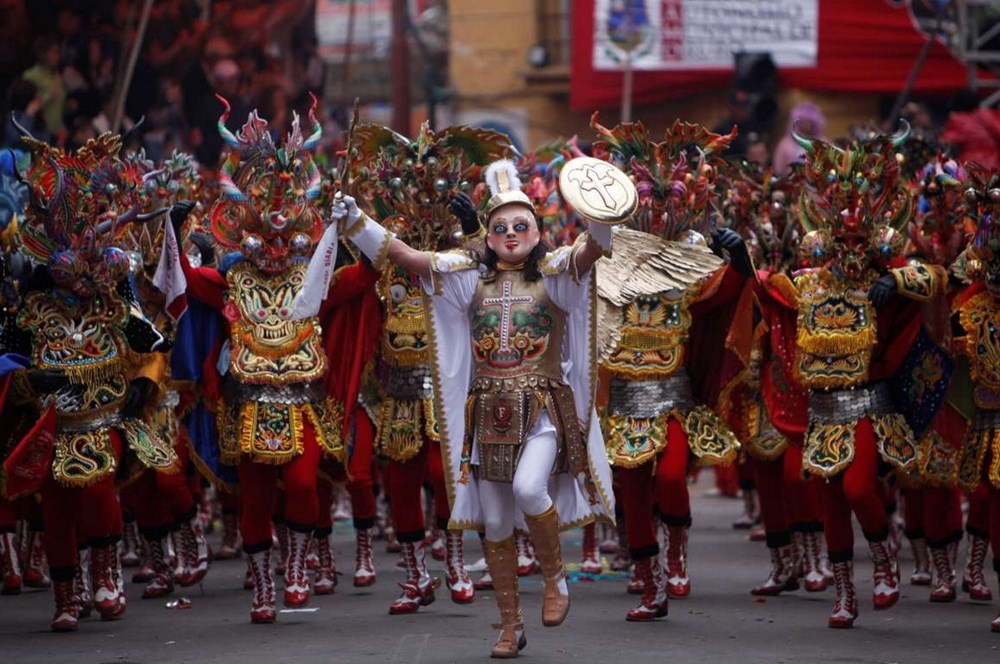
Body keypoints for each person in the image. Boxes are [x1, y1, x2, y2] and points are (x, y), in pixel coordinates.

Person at [336, 156, 615, 658]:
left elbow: (590, 251)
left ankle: (555, 578)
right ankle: (510, 625)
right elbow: (409, 258)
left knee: (531, 488)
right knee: (496, 525)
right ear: (486, 237)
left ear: (536, 233)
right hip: (487, 414)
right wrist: (358, 222)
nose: (510, 233)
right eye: (500, 227)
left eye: (521, 226)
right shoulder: (469, 279)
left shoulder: (555, 276)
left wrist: (602, 207)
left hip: (542, 409)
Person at [175, 96, 376, 623]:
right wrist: (170, 231)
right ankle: (264, 582)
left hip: (303, 402)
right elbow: (185, 282)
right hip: (247, 406)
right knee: (256, 499)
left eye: (285, 236)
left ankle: (298, 565)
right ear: (244, 233)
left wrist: (359, 228)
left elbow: (365, 279)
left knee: (306, 486)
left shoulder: (313, 281)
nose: (274, 246)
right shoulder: (233, 280)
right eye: (263, 237)